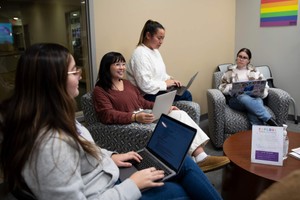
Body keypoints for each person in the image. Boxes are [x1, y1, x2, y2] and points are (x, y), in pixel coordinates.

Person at [0, 43, 222, 200]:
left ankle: (200, 155)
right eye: (74, 70)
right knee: (184, 186)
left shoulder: (57, 119)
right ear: (52, 81)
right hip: (112, 189)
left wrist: (111, 156)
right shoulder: (51, 146)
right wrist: (133, 185)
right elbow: (107, 116)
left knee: (182, 162)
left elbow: (84, 152)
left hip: (110, 175)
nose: (80, 74)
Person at [93, 51, 229, 173]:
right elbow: (107, 115)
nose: (122, 67)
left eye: (123, 64)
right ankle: (197, 161)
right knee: (173, 125)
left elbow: (142, 102)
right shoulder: (100, 90)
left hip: (144, 114)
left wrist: (163, 107)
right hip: (132, 121)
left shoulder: (127, 84)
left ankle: (201, 157)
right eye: (117, 64)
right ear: (107, 67)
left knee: (180, 114)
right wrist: (134, 117)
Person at [127, 19, 192, 102]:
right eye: (159, 38)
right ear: (148, 35)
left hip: (157, 90)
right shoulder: (140, 54)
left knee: (184, 92)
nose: (161, 42)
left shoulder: (155, 51)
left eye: (163, 38)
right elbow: (145, 85)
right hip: (147, 95)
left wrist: (171, 80)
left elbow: (160, 74)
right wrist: (165, 84)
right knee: (186, 95)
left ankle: (179, 113)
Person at [219, 48, 279, 126]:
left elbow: (265, 86)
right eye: (240, 56)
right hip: (236, 100)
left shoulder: (255, 72)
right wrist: (231, 87)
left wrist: (260, 91)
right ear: (236, 57)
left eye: (244, 58)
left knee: (257, 102)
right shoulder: (229, 72)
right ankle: (269, 119)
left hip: (253, 98)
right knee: (244, 98)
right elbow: (222, 87)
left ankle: (257, 135)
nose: (241, 59)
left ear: (248, 60)